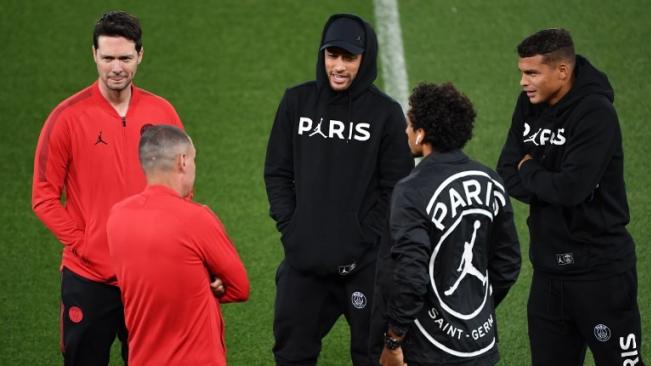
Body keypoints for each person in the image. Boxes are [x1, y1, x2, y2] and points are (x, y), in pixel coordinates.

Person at [31, 11, 183, 365]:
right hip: (88, 278)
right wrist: (85, 243)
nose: (117, 67)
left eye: (126, 58)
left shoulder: (163, 112)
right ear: (94, 55)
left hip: (149, 276)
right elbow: (44, 196)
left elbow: (182, 185)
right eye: (108, 57)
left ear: (140, 55)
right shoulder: (66, 118)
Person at [264, 13, 414, 366]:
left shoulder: (386, 114)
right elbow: (277, 173)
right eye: (332, 55)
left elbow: (396, 188)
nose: (339, 66)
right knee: (291, 355)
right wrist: (292, 228)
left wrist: (365, 236)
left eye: (349, 57)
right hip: (304, 264)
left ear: (365, 59)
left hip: (364, 266)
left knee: (371, 357)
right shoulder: (296, 103)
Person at [497, 28, 644, 365]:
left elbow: (571, 190)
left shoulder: (596, 114)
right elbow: (506, 170)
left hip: (600, 274)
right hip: (548, 272)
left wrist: (530, 169)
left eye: (532, 73)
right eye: (522, 72)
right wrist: (543, 179)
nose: (523, 82)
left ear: (562, 71)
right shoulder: (529, 104)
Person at [379, 82, 521, 366]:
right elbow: (508, 263)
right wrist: (474, 308)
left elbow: (411, 275)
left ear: (421, 134)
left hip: (431, 349)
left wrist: (393, 340)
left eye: (410, 124)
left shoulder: (411, 189)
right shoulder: (491, 180)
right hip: (480, 346)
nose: (406, 131)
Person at [106, 125, 249, 365]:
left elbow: (149, 279)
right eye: (194, 159)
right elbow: (240, 288)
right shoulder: (196, 218)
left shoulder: (117, 216)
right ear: (183, 161)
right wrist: (205, 284)